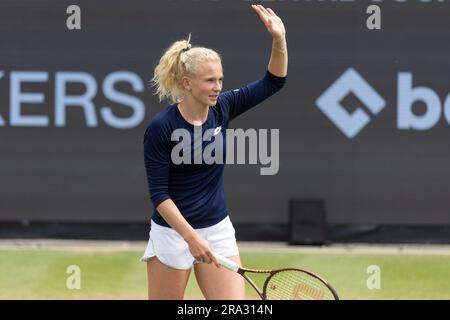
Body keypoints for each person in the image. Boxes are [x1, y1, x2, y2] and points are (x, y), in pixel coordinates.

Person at [142, 5, 288, 300]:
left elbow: (273, 82)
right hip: (173, 233)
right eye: (210, 81)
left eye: (220, 80)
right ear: (187, 83)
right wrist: (191, 238)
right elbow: (160, 196)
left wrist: (278, 40)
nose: (218, 87)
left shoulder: (223, 107)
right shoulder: (161, 127)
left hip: (216, 229)